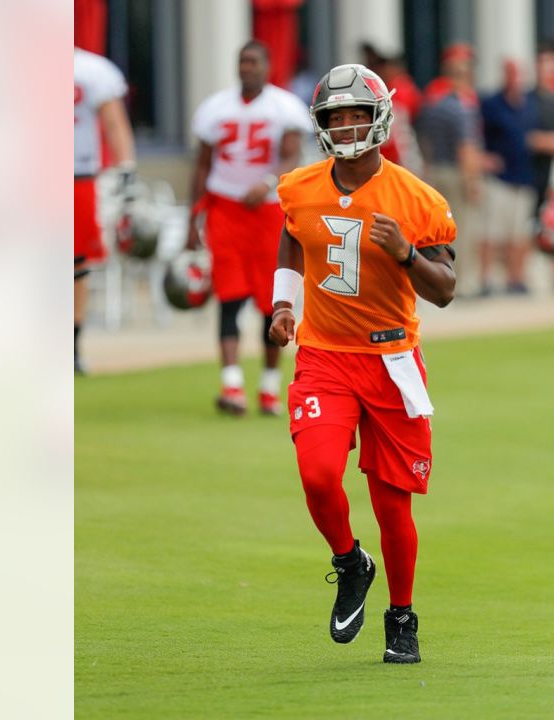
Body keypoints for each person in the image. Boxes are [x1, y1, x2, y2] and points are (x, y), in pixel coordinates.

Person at [269, 63, 456, 665]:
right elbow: (294, 235)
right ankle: (350, 561)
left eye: (356, 114)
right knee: (319, 473)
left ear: (378, 117)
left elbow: (446, 287)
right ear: (321, 124)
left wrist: (405, 253)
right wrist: (283, 303)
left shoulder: (416, 197)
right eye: (336, 117)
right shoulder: (300, 186)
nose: (347, 126)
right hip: (325, 354)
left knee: (391, 503)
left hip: (391, 356)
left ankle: (402, 615)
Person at [185, 41, 311, 415]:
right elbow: (203, 166)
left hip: (269, 212)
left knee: (270, 301)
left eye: (254, 61)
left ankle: (269, 387)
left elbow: (291, 154)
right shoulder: (215, 108)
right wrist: (194, 218)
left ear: (268, 65)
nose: (247, 67)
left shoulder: (284, 106)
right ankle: (232, 385)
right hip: (226, 208)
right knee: (229, 294)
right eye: (243, 61)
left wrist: (270, 180)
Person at [74, 46, 136, 375]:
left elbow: (114, 123)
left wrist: (125, 167)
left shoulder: (90, 70)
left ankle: (71, 343)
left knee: (77, 264)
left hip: (78, 173)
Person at [415, 42, 483, 297]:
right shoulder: (461, 105)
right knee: (460, 230)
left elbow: (422, 138)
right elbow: (466, 147)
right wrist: (472, 181)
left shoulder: (434, 102)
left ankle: (435, 279)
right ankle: (460, 283)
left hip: (435, 170)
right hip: (456, 172)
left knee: (436, 232)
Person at [478, 59, 535, 295]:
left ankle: (515, 279)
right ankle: (486, 280)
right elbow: (476, 131)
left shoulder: (530, 104)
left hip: (524, 175)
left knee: (519, 234)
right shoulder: (491, 103)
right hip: (499, 177)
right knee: (491, 232)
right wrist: (482, 158)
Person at [524, 47, 554, 294]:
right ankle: (523, 277)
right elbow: (526, 138)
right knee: (526, 226)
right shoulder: (528, 100)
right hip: (529, 174)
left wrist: (549, 142)